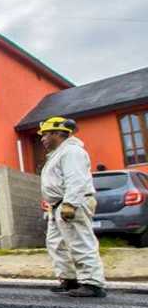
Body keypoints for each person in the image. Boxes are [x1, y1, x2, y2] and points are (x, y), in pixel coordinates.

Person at [38, 116, 107, 297]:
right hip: (57, 206)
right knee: (56, 244)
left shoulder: (72, 152)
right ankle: (69, 279)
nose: (42, 139)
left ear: (59, 133)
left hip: (70, 203)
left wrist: (70, 203)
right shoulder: (58, 154)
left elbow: (76, 180)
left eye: (45, 135)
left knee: (79, 241)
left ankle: (93, 283)